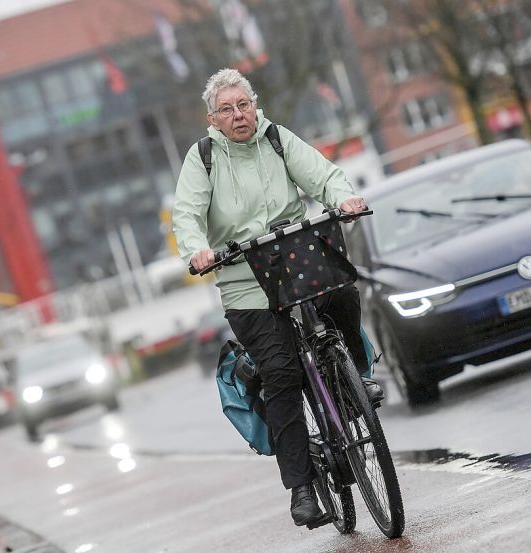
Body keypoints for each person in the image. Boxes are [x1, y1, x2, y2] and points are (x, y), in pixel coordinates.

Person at [172, 68, 383, 527]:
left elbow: (323, 175)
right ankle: (303, 489)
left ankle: (357, 376)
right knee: (281, 374)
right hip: (245, 281)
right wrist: (197, 250)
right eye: (226, 109)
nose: (238, 115)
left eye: (243, 104)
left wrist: (342, 198)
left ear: (255, 105)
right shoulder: (203, 158)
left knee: (344, 294)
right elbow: (186, 213)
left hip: (296, 258)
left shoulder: (277, 139)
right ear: (213, 120)